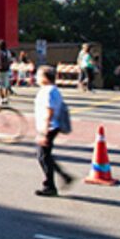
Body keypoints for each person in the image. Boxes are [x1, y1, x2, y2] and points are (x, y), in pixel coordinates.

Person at [34, 65, 72, 196]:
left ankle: (50, 186)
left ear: (45, 78)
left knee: (43, 157)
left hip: (49, 127)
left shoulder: (48, 91)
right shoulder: (53, 90)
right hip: (51, 126)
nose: (36, 78)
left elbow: (49, 111)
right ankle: (64, 176)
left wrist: (43, 133)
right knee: (45, 156)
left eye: (38, 75)